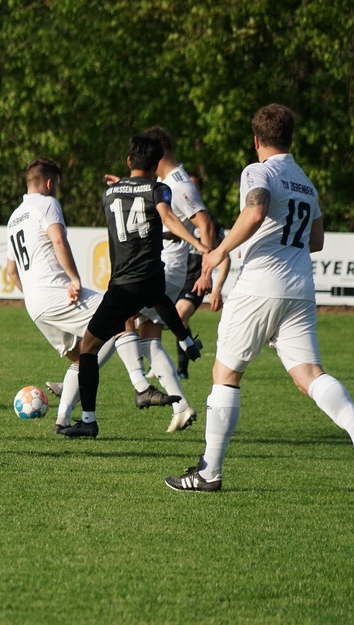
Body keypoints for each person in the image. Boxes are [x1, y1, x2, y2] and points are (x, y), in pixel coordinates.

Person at [165, 104, 354, 493]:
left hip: (259, 285)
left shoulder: (258, 171)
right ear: (290, 138)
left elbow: (255, 212)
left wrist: (218, 253)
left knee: (226, 376)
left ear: (256, 141)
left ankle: (208, 473)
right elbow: (316, 240)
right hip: (299, 287)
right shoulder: (305, 181)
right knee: (309, 375)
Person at [6, 157, 180, 434]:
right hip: (56, 293)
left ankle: (63, 420)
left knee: (81, 356)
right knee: (124, 313)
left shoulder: (14, 217)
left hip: (35, 306)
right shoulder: (47, 203)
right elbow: (58, 240)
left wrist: (34, 295)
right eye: (57, 185)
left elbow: (11, 271)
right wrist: (74, 279)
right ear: (50, 183)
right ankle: (141, 386)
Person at [61, 133, 204, 438]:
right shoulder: (160, 188)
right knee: (160, 301)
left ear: (128, 160)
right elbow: (164, 217)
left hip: (124, 284)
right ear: (157, 164)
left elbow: (135, 221)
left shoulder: (109, 193)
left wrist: (124, 188)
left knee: (88, 348)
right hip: (152, 279)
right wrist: (196, 243)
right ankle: (186, 342)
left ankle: (89, 419)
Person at [134, 127, 216, 433]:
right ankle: (181, 407)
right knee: (147, 339)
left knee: (117, 318)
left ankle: (75, 383)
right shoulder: (167, 181)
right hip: (164, 265)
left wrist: (206, 272)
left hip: (167, 268)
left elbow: (205, 224)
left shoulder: (178, 183)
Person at [175, 171, 230, 379]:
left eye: (194, 187)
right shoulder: (175, 218)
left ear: (200, 192)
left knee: (180, 316)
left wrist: (216, 289)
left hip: (195, 280)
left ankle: (181, 370)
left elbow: (225, 258)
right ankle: (176, 352)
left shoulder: (209, 223)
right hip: (173, 277)